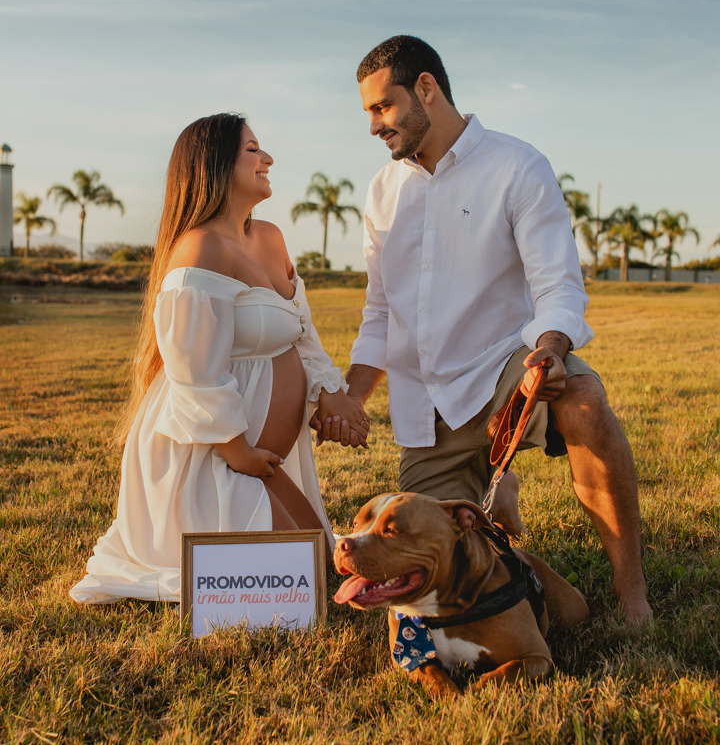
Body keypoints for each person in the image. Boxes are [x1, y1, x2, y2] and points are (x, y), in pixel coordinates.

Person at [317, 35, 650, 623]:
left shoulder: (517, 166)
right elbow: (380, 311)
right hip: (426, 407)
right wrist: (352, 397)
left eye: (382, 107)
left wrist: (549, 352)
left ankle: (632, 596)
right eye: (367, 112)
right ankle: (501, 506)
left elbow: (558, 285)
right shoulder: (381, 192)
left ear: (427, 88)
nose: (373, 126)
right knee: (442, 559)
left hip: (505, 371)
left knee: (584, 399)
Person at [70, 113, 369, 605]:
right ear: (214, 164)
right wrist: (236, 448)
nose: (267, 158)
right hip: (211, 456)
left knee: (319, 561)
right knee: (300, 580)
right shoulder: (200, 248)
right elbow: (193, 372)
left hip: (262, 462)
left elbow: (302, 331)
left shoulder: (270, 237)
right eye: (252, 150)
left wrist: (330, 395)